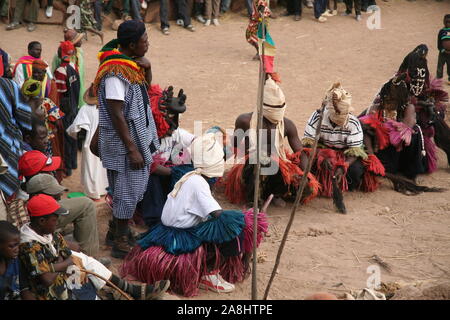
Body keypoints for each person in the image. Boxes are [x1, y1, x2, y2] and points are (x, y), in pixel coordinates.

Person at [120, 133, 269, 297]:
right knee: (237, 229)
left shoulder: (190, 176)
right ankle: (210, 273)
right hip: (179, 238)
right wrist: (247, 219)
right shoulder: (199, 184)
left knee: (227, 223)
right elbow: (219, 215)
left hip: (166, 231)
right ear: (215, 165)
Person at [92, 20, 160, 259]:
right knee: (126, 189)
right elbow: (116, 112)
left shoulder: (130, 66)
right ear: (132, 45)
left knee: (130, 188)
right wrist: (132, 149)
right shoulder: (114, 73)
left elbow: (143, 91)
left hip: (133, 139)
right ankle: (120, 240)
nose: (148, 44)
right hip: (123, 144)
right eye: (144, 41)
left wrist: (148, 68)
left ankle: (117, 230)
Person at [19, 194, 170, 300]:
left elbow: (66, 255)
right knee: (83, 276)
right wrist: (64, 262)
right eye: (54, 218)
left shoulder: (48, 233)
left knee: (85, 264)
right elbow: (47, 279)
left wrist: (58, 263)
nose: (58, 221)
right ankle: (123, 292)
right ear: (42, 221)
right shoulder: (28, 245)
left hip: (64, 276)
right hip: (51, 292)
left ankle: (126, 291)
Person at [224, 76, 319, 208]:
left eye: (279, 107)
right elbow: (234, 145)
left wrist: (305, 175)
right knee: (261, 160)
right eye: (273, 108)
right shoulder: (245, 121)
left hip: (278, 167)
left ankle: (275, 193)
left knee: (306, 187)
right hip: (250, 168)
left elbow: (301, 152)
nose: (277, 111)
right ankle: (254, 200)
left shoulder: (287, 125)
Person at [302, 83, 384, 213]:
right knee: (307, 165)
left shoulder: (353, 122)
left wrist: (343, 165)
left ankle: (345, 186)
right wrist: (321, 157)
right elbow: (307, 145)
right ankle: (314, 185)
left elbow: (355, 151)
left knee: (356, 171)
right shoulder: (317, 117)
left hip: (345, 153)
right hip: (321, 151)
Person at [67, 84, 108, 200]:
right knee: (102, 168)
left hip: (90, 143)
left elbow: (75, 127)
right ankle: (103, 190)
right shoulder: (107, 108)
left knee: (91, 168)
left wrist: (71, 133)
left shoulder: (85, 109)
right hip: (105, 142)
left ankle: (93, 193)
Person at [54, 41, 81, 177]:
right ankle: (74, 163)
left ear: (61, 53)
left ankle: (68, 167)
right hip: (74, 104)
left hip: (65, 108)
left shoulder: (60, 70)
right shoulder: (74, 66)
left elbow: (60, 92)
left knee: (65, 138)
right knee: (73, 136)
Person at [0, 221, 35, 300]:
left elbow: (24, 289)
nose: (17, 249)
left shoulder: (15, 261)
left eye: (18, 244)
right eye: (12, 246)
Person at [52, 29, 86, 109]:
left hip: (78, 87)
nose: (81, 41)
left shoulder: (79, 52)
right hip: (67, 91)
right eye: (79, 39)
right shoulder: (58, 56)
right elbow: (55, 73)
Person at [437, 14, 450, 85]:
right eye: (446, 22)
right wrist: (441, 49)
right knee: (440, 66)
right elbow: (439, 42)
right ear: (444, 22)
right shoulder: (441, 31)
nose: (448, 23)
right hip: (442, 53)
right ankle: (438, 80)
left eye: (449, 22)